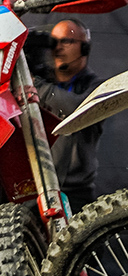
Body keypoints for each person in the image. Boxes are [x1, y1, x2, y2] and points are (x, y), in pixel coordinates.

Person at [47, 18, 104, 211]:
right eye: (53, 42)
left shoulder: (97, 87)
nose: (58, 48)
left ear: (85, 47)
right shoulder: (41, 81)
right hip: (37, 189)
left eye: (66, 41)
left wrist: (36, 88)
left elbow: (77, 110)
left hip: (77, 194)